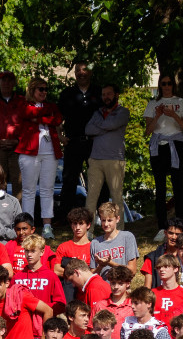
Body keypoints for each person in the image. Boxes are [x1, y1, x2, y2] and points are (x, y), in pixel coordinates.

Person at [14, 77, 63, 238]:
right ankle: (27, 227)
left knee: (47, 189)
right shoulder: (23, 105)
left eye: (45, 89)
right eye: (40, 89)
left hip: (50, 152)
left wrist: (39, 118)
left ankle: (47, 226)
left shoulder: (51, 106)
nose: (44, 92)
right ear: (32, 90)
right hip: (29, 152)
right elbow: (26, 113)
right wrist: (44, 116)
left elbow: (57, 119)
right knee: (28, 190)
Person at [143, 74, 183, 229]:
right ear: (159, 85)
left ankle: (180, 224)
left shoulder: (181, 102)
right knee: (160, 186)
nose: (166, 86)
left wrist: (173, 115)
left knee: (178, 185)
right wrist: (157, 115)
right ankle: (162, 226)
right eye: (163, 83)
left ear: (173, 85)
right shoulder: (153, 103)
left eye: (169, 83)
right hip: (158, 145)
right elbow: (147, 131)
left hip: (176, 144)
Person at [56, 63, 102, 218]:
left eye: (84, 70)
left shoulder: (99, 92)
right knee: (69, 179)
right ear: (74, 73)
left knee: (98, 179)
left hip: (95, 143)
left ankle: (102, 216)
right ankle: (65, 217)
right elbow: (56, 118)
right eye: (78, 71)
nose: (81, 73)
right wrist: (60, 137)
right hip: (73, 142)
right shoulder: (67, 93)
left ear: (90, 72)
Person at [84, 83, 131, 223]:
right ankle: (88, 230)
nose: (106, 97)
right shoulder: (97, 112)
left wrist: (101, 126)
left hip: (115, 159)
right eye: (104, 95)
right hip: (95, 159)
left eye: (109, 94)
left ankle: (119, 229)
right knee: (91, 196)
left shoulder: (123, 111)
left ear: (116, 95)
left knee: (116, 197)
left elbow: (110, 125)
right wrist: (107, 127)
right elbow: (88, 130)